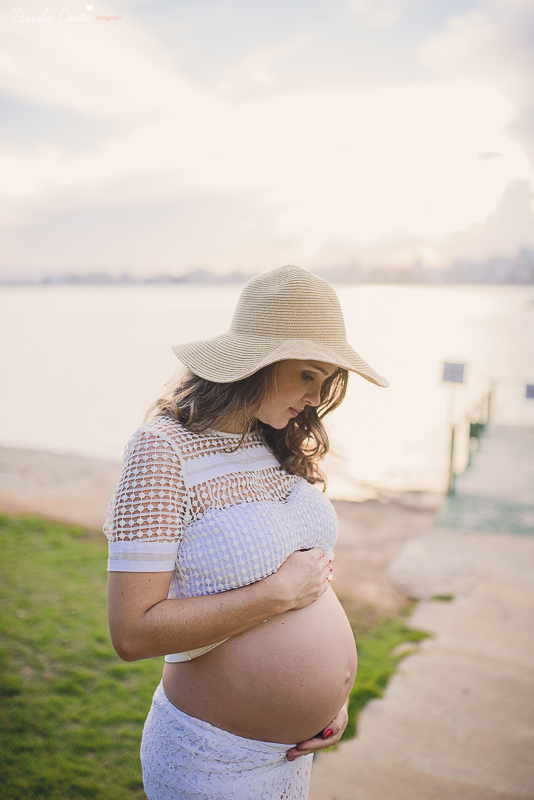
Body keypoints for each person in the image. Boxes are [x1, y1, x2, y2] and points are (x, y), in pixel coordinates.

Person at [104, 264, 388, 800]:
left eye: (326, 379)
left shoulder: (272, 442)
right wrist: (275, 595)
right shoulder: (161, 450)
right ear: (259, 362)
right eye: (308, 374)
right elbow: (131, 633)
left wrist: (331, 700)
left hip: (287, 759)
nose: (317, 394)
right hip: (213, 761)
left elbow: (306, 586)